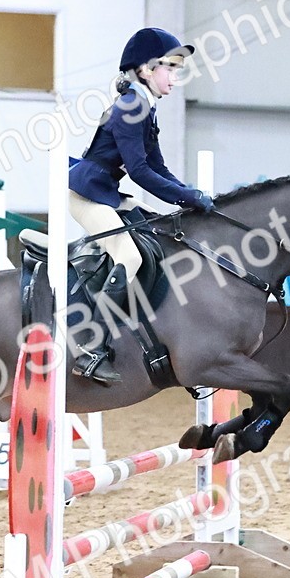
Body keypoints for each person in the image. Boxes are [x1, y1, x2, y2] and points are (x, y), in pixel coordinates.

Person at [67, 27, 215, 385]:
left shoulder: (145, 107)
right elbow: (140, 172)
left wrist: (188, 193)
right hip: (85, 193)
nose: (175, 79)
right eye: (171, 69)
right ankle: (90, 348)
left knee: (156, 226)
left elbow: (158, 168)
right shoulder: (131, 107)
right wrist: (188, 197)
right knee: (129, 256)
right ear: (147, 70)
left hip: (106, 189)